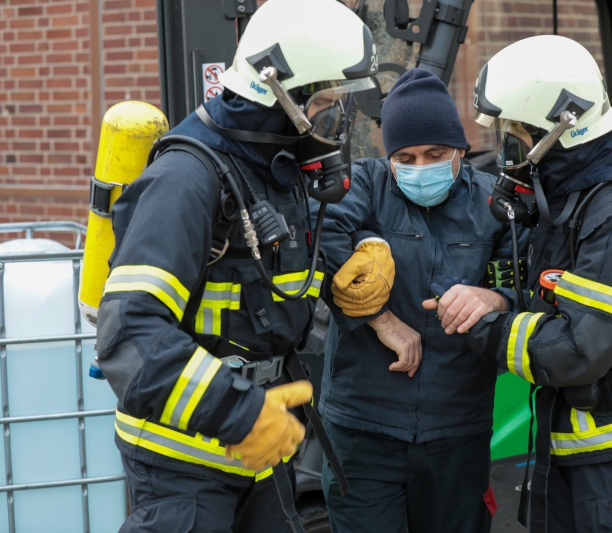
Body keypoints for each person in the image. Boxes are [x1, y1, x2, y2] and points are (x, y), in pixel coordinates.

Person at [94, 0, 377, 531]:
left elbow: (273, 269)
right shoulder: (186, 180)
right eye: (328, 102)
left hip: (260, 454)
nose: (337, 119)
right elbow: (129, 335)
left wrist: (355, 252)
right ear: (284, 97)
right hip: (187, 468)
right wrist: (241, 413)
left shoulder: (273, 164)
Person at [448, 35, 612, 533]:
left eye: (516, 137)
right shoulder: (572, 196)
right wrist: (500, 294)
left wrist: (487, 324)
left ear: (559, 130)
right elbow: (557, 295)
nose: (509, 153)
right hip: (579, 445)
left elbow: (578, 351)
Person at [315, 68, 517, 533]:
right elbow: (320, 237)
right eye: (405, 156)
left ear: (461, 152)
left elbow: (529, 287)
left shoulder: (494, 207)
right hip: (362, 431)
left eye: (435, 153)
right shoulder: (363, 185)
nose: (420, 166)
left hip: (457, 433)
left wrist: (493, 299)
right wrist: (381, 319)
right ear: (388, 158)